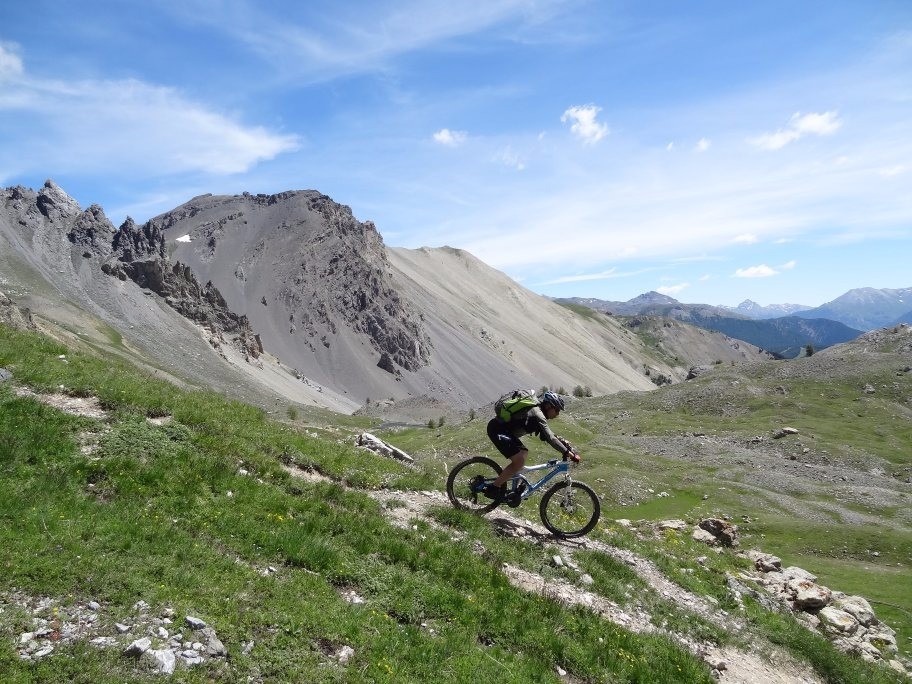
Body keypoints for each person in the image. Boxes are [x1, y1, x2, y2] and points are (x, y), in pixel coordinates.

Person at [480, 390, 578, 501]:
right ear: (549, 406)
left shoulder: (538, 412)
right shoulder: (538, 414)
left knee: (524, 452)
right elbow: (550, 438)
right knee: (519, 461)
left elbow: (547, 434)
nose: (557, 414)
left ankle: (514, 489)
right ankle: (493, 488)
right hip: (497, 430)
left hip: (504, 432)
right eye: (557, 410)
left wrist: (563, 443)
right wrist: (567, 452)